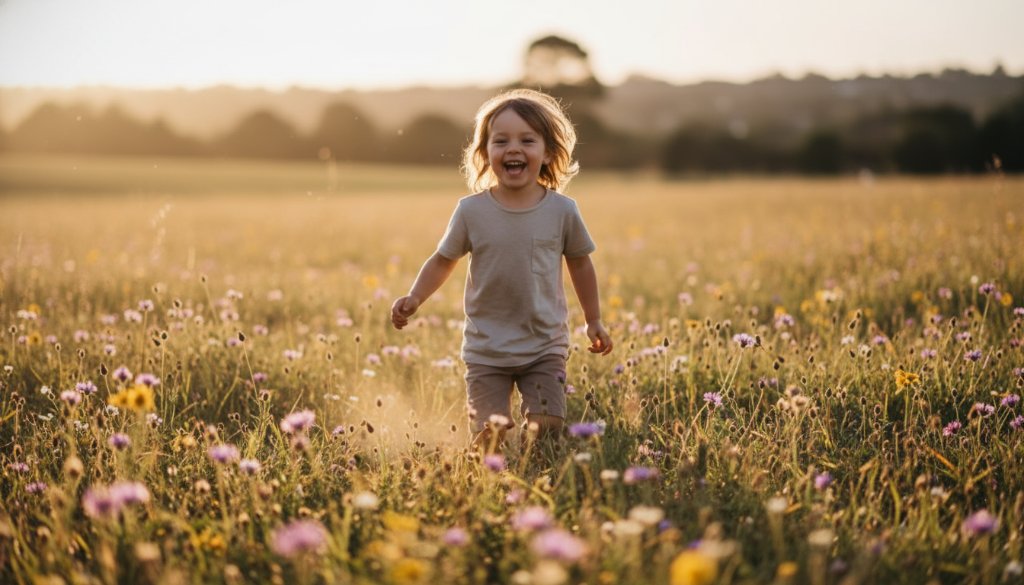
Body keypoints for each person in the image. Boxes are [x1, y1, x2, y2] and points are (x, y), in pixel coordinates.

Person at [390, 88, 613, 451]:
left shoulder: (562, 211)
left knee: (548, 424)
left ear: (548, 153)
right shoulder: (471, 211)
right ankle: (494, 480)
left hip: (544, 343)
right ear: (485, 153)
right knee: (487, 434)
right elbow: (443, 259)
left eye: (527, 140)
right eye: (501, 140)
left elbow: (580, 263)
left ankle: (535, 466)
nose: (513, 149)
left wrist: (593, 319)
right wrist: (415, 297)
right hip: (486, 347)